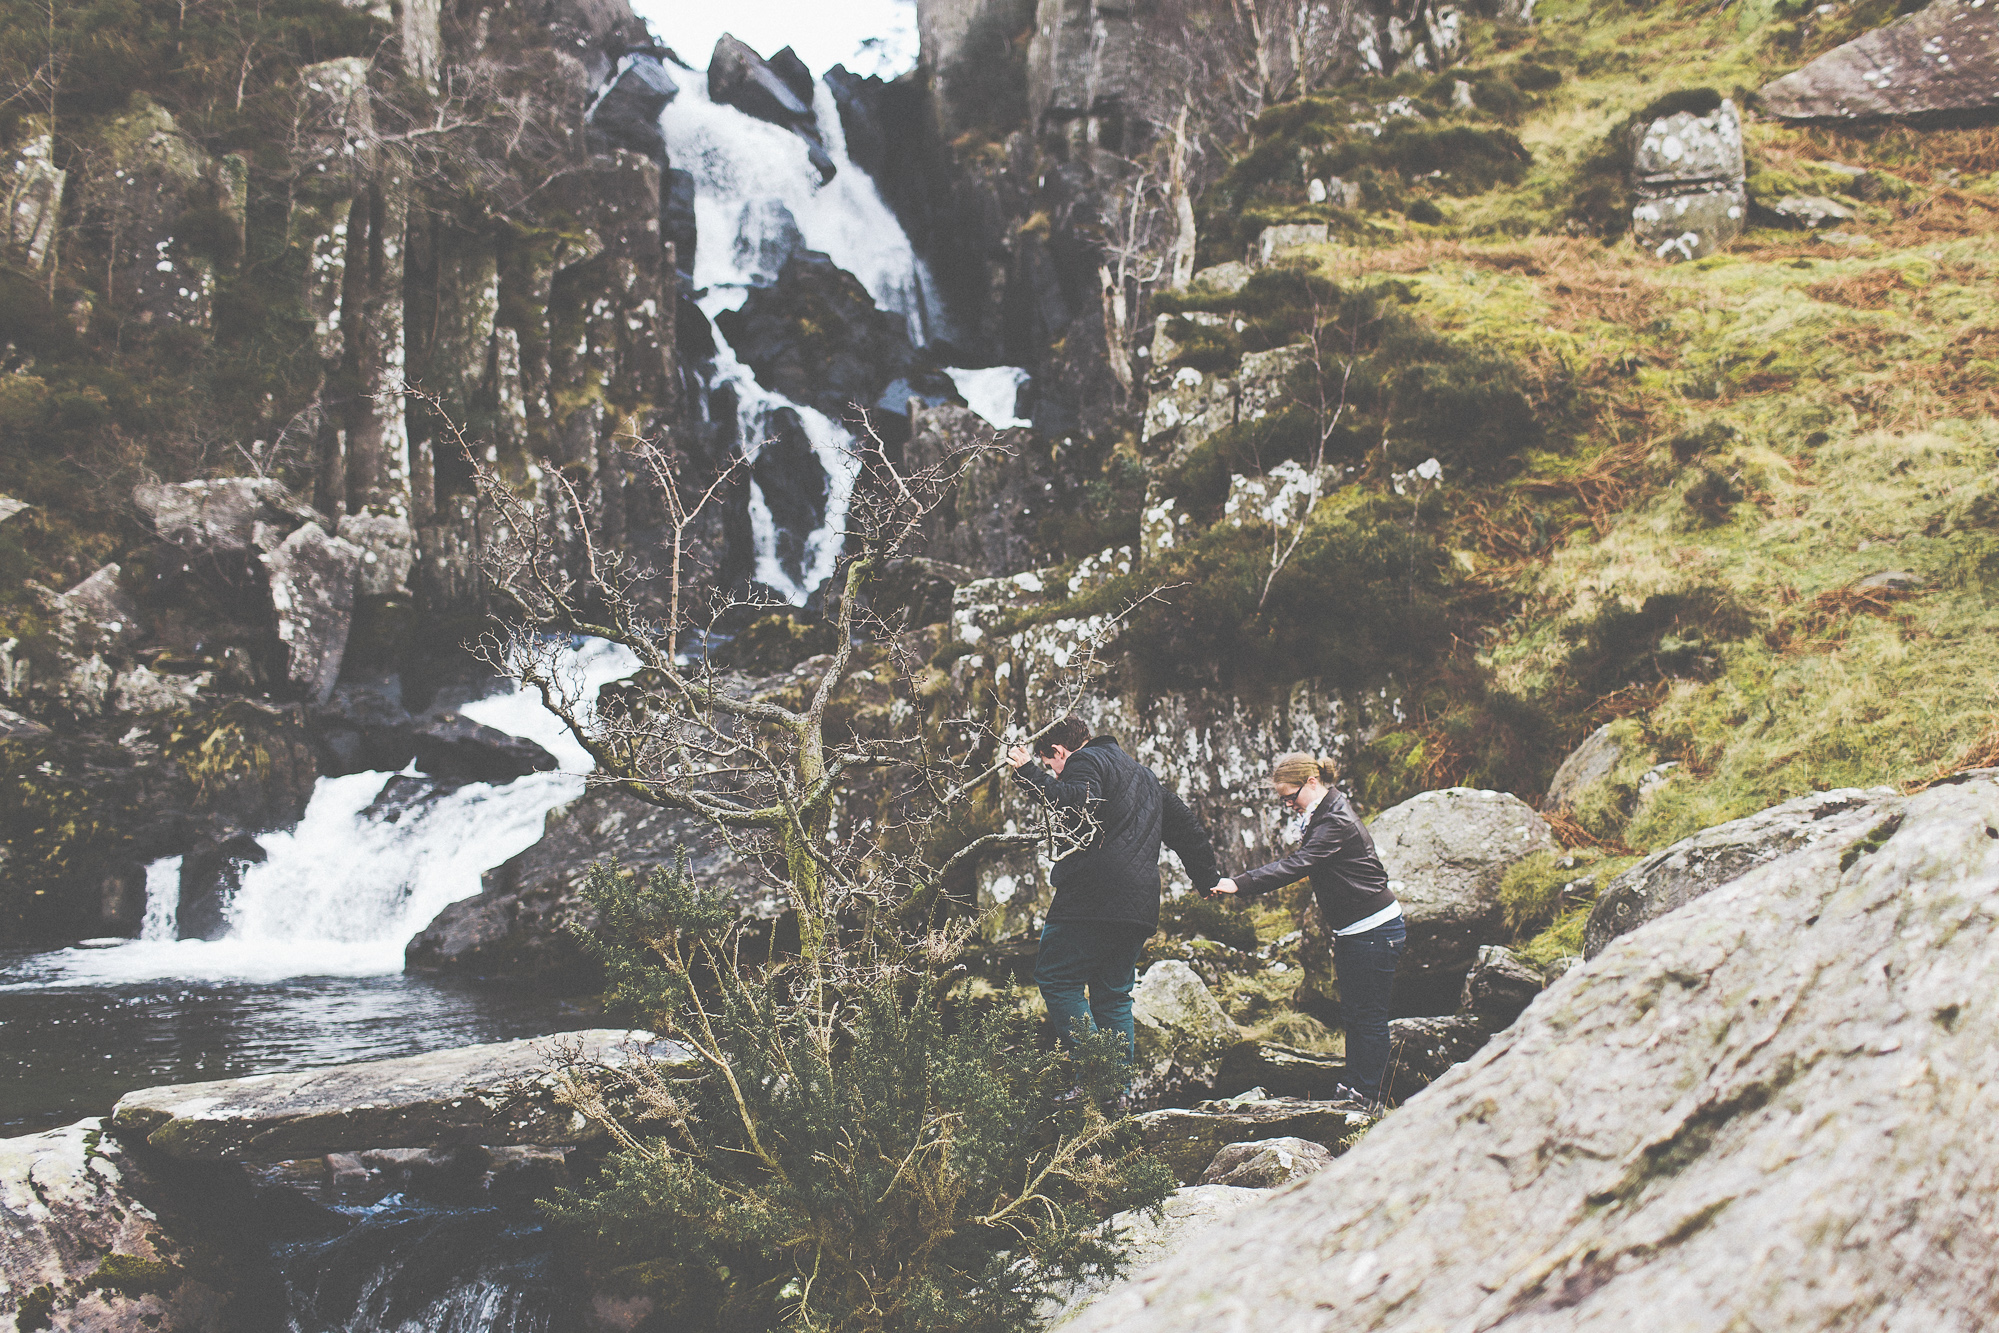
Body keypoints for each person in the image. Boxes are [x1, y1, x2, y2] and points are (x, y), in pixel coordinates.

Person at [1005, 715, 1219, 1058]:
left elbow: (1076, 802)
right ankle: (1115, 1086)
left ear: (1059, 751)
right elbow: (1186, 827)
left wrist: (1028, 772)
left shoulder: (1083, 761)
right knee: (1113, 996)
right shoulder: (1143, 776)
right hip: (1138, 908)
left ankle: (1095, 1072)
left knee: (1057, 979)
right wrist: (1207, 878)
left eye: (1050, 764)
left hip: (1089, 899)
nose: (1055, 773)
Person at [1212, 752, 1403, 1105]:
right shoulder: (1323, 813)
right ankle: (1353, 1087)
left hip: (1374, 930)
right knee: (1354, 1014)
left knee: (1369, 1016)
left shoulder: (1335, 821)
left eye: (1290, 796)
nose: (1287, 804)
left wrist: (1240, 883)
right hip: (1355, 931)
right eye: (1282, 799)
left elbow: (1298, 865)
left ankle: (1368, 1096)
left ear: (1311, 782)